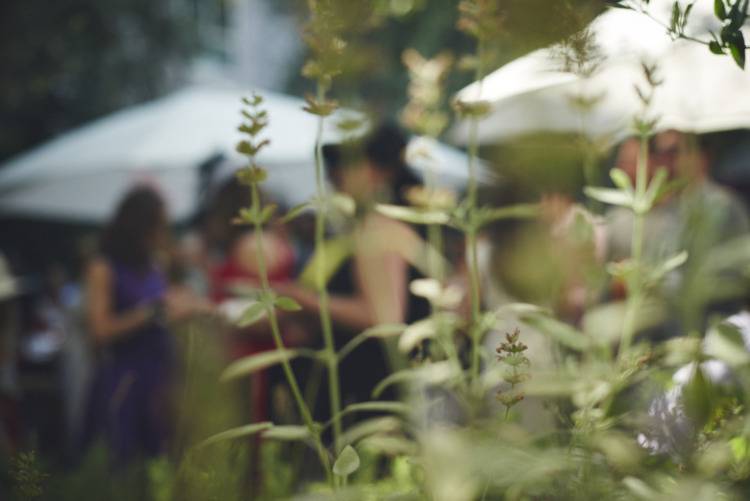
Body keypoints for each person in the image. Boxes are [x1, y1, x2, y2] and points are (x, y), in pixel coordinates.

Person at [277, 123, 432, 430]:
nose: (335, 175)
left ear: (381, 172)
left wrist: (304, 299)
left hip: (375, 394)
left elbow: (383, 316)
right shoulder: (389, 225)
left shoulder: (379, 229)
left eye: (349, 163)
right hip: (382, 389)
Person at [81, 186, 207, 470]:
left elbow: (164, 309)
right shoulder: (103, 267)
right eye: (159, 227)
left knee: (161, 461)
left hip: (160, 372)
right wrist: (152, 312)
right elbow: (100, 331)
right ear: (139, 227)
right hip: (123, 376)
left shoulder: (156, 263)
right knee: (123, 464)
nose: (164, 235)